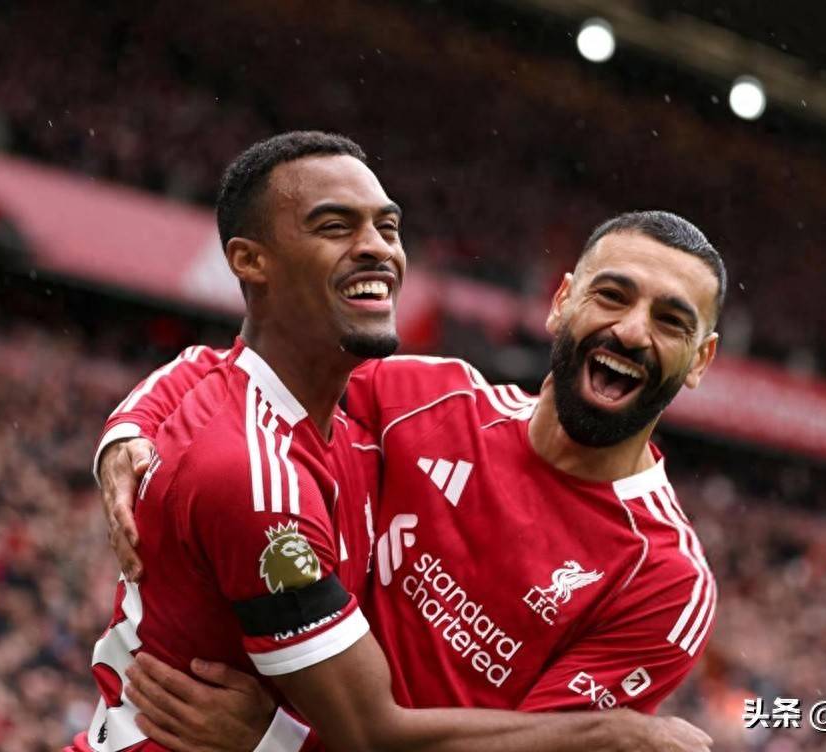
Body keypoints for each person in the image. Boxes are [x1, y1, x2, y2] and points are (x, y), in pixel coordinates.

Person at [73, 130, 710, 752]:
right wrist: (129, 431)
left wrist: (278, 741)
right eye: (611, 296)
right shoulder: (426, 401)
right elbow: (246, 372)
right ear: (561, 302)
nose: (632, 331)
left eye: (671, 321)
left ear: (701, 360)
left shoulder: (664, 580)